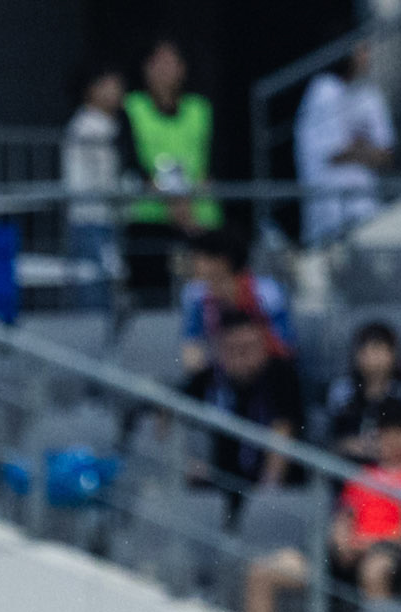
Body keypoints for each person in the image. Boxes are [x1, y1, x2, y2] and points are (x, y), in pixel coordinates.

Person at [245, 396, 401, 612]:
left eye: (399, 432)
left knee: (375, 570)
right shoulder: (363, 475)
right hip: (347, 552)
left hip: (392, 555)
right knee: (263, 571)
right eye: (385, 433)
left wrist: (371, 542)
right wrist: (341, 539)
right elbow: (345, 515)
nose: (390, 440)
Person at [123, 39, 219, 307]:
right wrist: (168, 198)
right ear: (146, 68)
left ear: (183, 68)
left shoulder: (200, 110)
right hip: (150, 216)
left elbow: (211, 162)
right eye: (158, 62)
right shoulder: (132, 107)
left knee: (204, 297)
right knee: (153, 296)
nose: (165, 70)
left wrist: (189, 201)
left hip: (197, 218)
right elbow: (129, 160)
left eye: (171, 62)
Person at [184, 310, 304, 510]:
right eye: (233, 350)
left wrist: (265, 497)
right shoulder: (207, 379)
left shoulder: (282, 375)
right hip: (218, 487)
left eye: (249, 348)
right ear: (219, 349)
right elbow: (170, 411)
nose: (242, 358)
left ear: (264, 346)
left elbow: (283, 433)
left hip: (270, 490)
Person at [295, 41, 395, 248]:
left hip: (364, 198)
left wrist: (357, 149)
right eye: (361, 51)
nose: (366, 57)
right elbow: (333, 152)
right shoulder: (324, 90)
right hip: (330, 199)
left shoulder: (370, 96)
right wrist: (365, 150)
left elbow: (385, 153)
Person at [61, 65, 132, 310]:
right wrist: (128, 188)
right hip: (90, 219)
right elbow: (105, 180)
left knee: (106, 283)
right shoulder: (88, 126)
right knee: (93, 286)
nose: (118, 92)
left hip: (103, 218)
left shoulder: (104, 125)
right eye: (111, 86)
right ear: (93, 89)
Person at [179, 228, 295, 373]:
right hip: (223, 369)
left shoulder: (267, 291)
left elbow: (285, 345)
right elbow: (191, 342)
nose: (193, 264)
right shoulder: (196, 295)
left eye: (198, 258)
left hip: (265, 369)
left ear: (221, 261)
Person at [324, 320, 401, 459]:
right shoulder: (342, 391)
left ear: (393, 353)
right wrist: (350, 445)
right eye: (365, 351)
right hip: (350, 468)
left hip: (397, 467)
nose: (373, 358)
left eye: (379, 350)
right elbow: (330, 437)